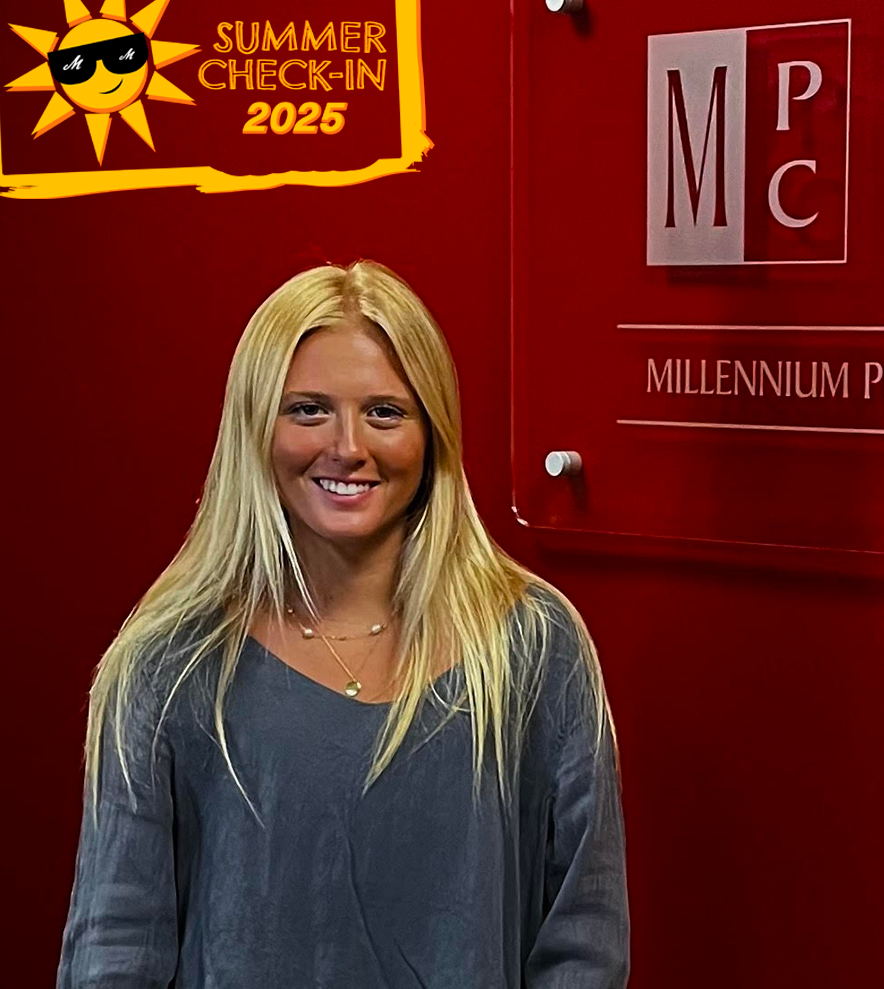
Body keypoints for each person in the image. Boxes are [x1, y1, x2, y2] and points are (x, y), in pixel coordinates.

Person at [57, 260, 629, 988]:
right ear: (255, 427)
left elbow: (585, 934)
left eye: (385, 412)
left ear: (432, 435)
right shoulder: (170, 662)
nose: (348, 446)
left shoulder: (534, 643)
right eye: (308, 410)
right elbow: (116, 946)